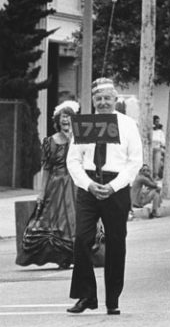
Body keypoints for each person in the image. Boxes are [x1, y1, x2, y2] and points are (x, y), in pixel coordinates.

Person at [65, 78, 143, 315]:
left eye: (107, 98)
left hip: (116, 187)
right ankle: (86, 295)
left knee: (116, 242)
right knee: (82, 239)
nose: (103, 103)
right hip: (88, 186)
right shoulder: (85, 125)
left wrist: (114, 185)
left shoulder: (128, 125)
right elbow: (73, 160)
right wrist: (88, 185)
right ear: (93, 101)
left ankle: (113, 299)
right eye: (98, 99)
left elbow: (135, 161)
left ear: (115, 99)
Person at [17, 101, 80, 269]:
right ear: (58, 120)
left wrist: (72, 138)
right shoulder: (50, 141)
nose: (66, 120)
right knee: (55, 222)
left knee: (75, 220)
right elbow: (46, 169)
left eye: (69, 117)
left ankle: (78, 255)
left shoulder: (80, 140)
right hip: (56, 186)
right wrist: (42, 192)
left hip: (76, 184)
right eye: (63, 117)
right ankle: (62, 257)